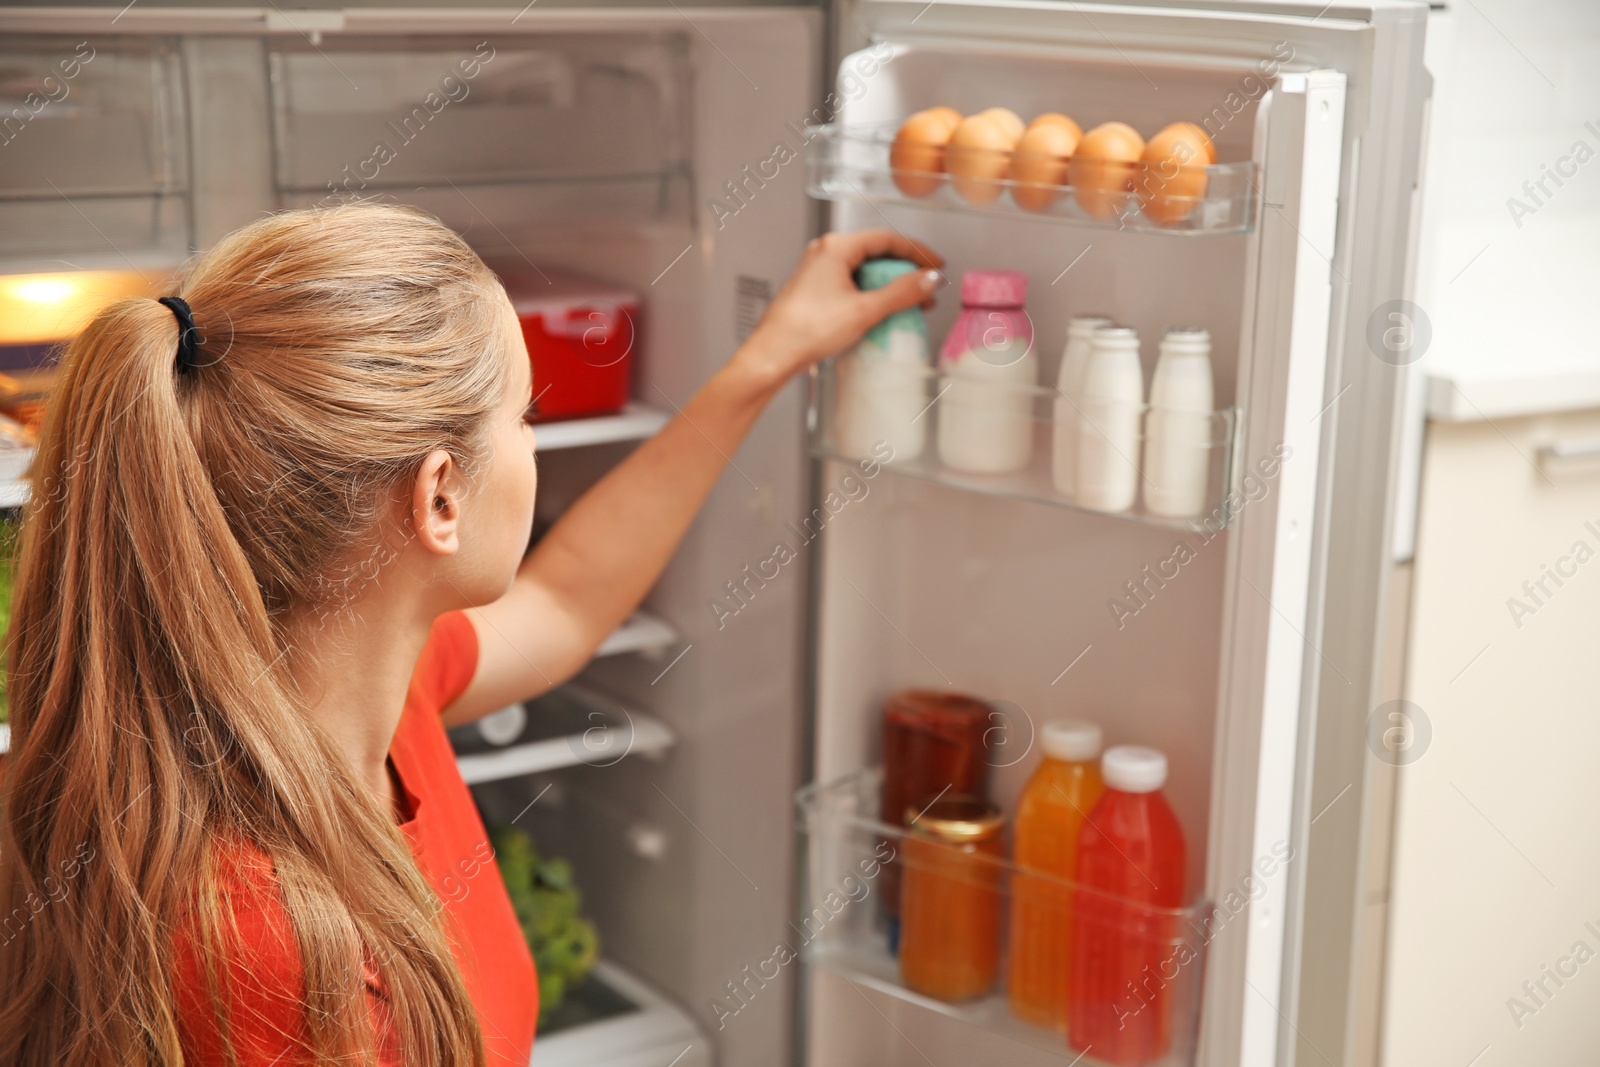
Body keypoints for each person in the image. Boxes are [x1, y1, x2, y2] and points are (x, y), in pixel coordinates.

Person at [0, 203, 941, 1067]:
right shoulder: (274, 951)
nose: (534, 443)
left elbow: (566, 601)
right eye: (524, 416)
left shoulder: (351, 688)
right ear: (440, 494)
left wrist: (766, 358)